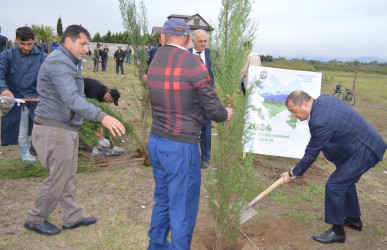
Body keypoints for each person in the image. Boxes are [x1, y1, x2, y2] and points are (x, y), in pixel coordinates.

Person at [24, 25, 126, 236]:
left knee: (68, 176)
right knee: (58, 178)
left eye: (87, 44)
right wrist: (102, 116)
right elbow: (71, 98)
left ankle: (72, 217)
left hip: (64, 128)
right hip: (54, 129)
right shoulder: (59, 63)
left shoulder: (67, 62)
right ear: (68, 41)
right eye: (83, 44)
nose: (86, 49)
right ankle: (35, 219)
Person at [146, 18, 233, 249]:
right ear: (187, 40)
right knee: (182, 208)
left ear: (162, 37)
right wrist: (226, 114)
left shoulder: (155, 59)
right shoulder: (193, 62)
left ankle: (155, 244)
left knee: (163, 199)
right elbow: (213, 108)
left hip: (156, 140)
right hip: (181, 146)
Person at [280, 90, 387, 244]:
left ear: (304, 104)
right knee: (345, 182)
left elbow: (312, 153)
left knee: (335, 184)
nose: (293, 116)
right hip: (358, 146)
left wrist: (292, 173)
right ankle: (353, 219)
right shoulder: (324, 99)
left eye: (293, 111)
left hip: (365, 151)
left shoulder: (319, 121)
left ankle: (337, 232)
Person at [0, 27, 47, 162]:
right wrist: (4, 89)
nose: (26, 47)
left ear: (34, 41)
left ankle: (46, 157)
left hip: (37, 100)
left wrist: (44, 93)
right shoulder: (7, 55)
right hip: (16, 101)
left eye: (29, 44)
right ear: (16, 41)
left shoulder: (43, 58)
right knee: (20, 134)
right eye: (22, 44)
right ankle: (29, 161)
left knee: (43, 130)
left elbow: (52, 79)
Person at [188, 29, 215, 169]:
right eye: (200, 41)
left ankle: (205, 157)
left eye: (205, 41)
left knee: (206, 128)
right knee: (190, 127)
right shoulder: (185, 55)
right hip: (189, 99)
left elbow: (218, 74)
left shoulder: (212, 56)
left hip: (207, 99)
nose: (203, 44)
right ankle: (190, 156)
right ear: (193, 41)